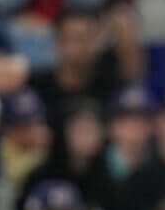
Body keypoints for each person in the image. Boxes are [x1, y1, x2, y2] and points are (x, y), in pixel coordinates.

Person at [28, 9, 126, 151]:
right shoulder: (36, 87)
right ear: (56, 43)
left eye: (83, 39)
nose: (76, 48)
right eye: (70, 39)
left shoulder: (109, 84)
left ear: (95, 43)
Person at [18, 97, 116, 210]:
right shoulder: (41, 177)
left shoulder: (109, 177)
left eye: (92, 131)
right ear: (64, 133)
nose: (86, 137)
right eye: (80, 130)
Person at [104, 85, 153, 186]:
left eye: (143, 118)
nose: (136, 126)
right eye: (126, 119)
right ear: (112, 127)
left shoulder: (157, 164)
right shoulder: (97, 165)